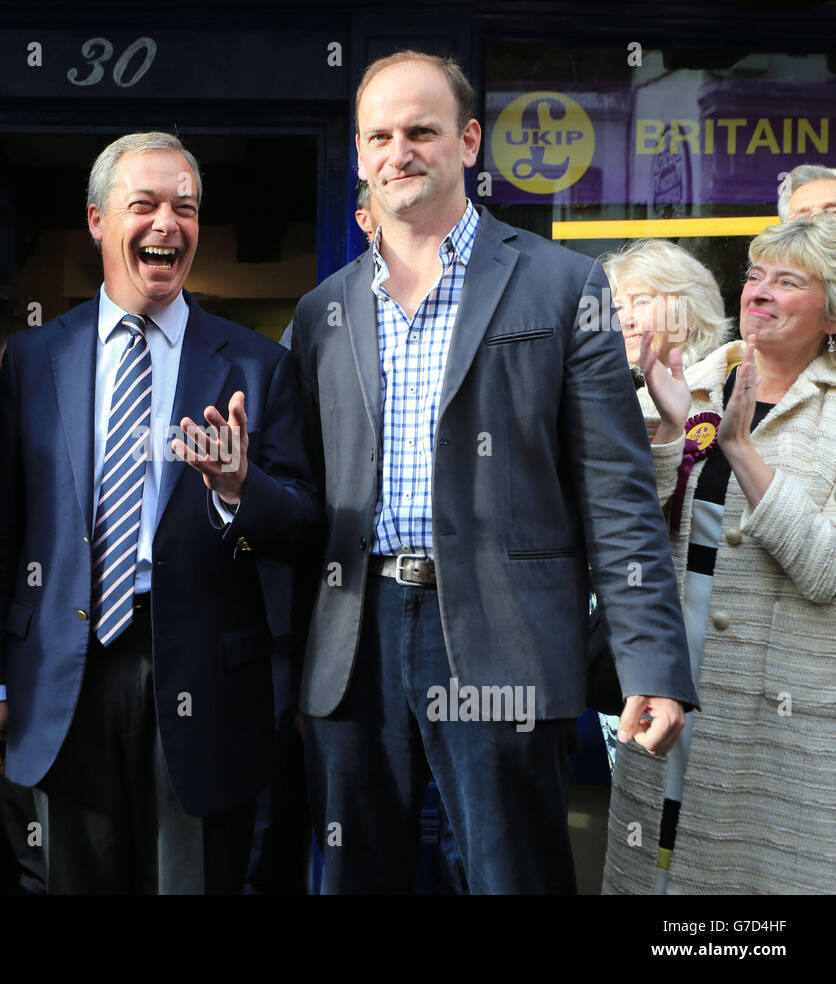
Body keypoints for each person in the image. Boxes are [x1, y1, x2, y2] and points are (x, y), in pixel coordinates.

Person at [287, 49, 698, 894]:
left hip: (505, 639)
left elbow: (617, 496)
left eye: (422, 131)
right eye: (380, 136)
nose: (399, 151)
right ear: (360, 155)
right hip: (353, 640)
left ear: (469, 141)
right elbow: (299, 494)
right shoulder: (321, 310)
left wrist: (651, 661)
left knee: (514, 877)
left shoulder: (561, 285)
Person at [0, 131, 318, 894]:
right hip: (60, 678)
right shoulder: (32, 361)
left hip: (202, 680)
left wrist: (236, 489)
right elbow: (0, 536)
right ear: (97, 220)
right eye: (145, 205)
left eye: (185, 209)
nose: (167, 224)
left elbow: (303, 528)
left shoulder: (258, 366)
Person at [605, 216, 836, 894]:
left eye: (787, 282)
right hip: (670, 687)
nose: (759, 294)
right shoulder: (692, 383)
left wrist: (742, 451)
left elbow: (826, 571)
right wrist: (669, 433)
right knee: (655, 873)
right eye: (754, 277)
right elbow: (625, 539)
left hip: (785, 714)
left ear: (831, 313)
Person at [602, 239, 731, 376]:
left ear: (688, 313)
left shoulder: (725, 387)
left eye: (641, 302)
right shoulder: (622, 390)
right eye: (619, 307)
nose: (624, 322)